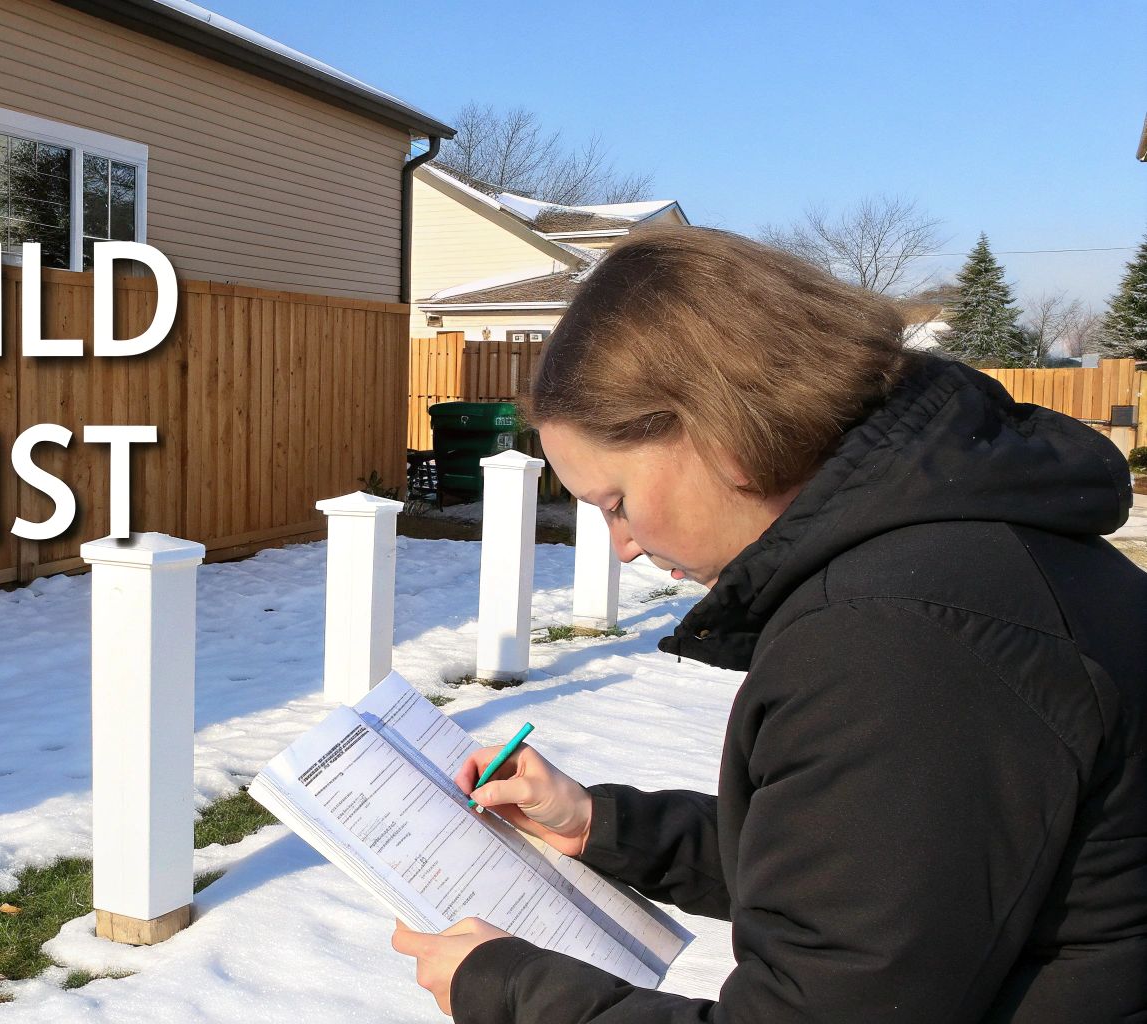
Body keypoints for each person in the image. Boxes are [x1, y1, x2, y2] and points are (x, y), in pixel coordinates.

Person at [389, 226, 1147, 1022]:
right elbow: (869, 872)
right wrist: (602, 828)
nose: (622, 546)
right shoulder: (941, 562)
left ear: (720, 432)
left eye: (616, 503)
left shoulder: (897, 639)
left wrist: (506, 989)